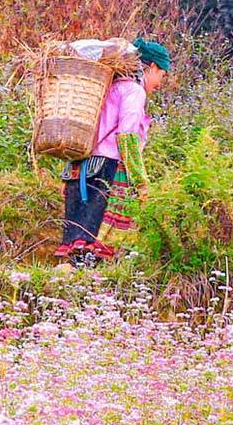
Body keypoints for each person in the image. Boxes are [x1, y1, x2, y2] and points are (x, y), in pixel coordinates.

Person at [56, 40, 172, 266]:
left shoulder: (104, 87)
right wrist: (140, 180)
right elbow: (126, 137)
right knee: (91, 245)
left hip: (78, 167)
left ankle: (66, 287)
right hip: (105, 170)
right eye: (162, 74)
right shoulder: (133, 91)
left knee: (75, 241)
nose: (160, 82)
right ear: (151, 68)